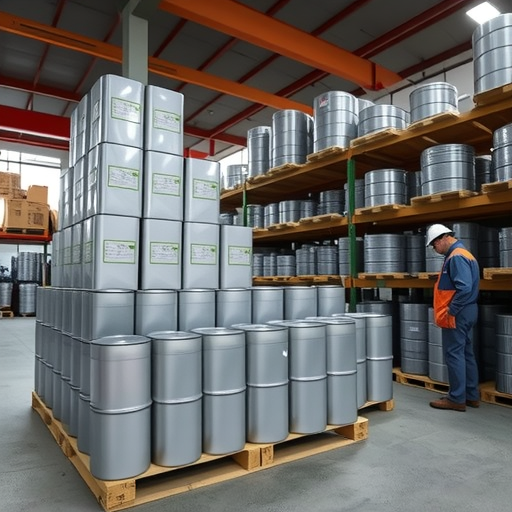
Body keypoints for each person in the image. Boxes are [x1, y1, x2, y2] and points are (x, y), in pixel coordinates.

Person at [426, 224, 480, 412]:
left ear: (443, 238)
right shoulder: (465, 254)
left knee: (454, 354)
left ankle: (456, 398)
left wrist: (451, 310)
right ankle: (471, 396)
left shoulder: (456, 256)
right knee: (466, 353)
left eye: (434, 244)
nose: (435, 249)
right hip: (468, 311)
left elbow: (464, 288)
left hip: (458, 313)